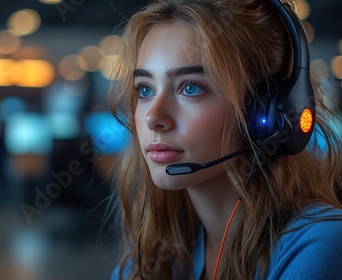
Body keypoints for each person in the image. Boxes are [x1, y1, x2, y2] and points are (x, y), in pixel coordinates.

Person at [106, 0, 342, 279]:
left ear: (266, 109)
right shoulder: (159, 252)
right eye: (144, 89)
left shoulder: (322, 244)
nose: (152, 117)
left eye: (190, 87)